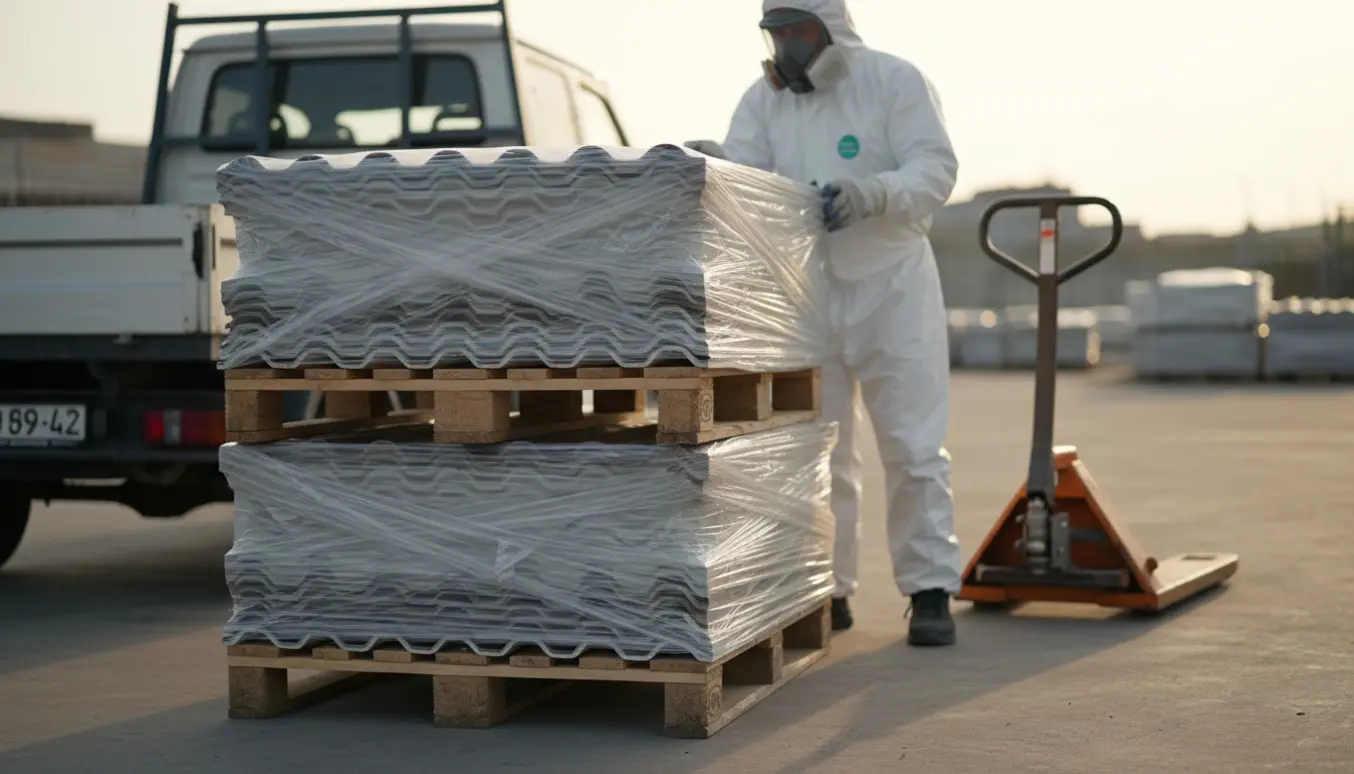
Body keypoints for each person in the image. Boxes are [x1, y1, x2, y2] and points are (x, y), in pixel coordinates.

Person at [686, 0, 962, 646]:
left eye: (797, 32)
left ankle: (929, 590)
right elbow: (746, 179)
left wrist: (875, 194)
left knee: (913, 445)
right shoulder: (764, 101)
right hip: (809, 292)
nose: (786, 47)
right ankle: (827, 590)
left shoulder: (896, 81)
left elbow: (937, 168)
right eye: (776, 34)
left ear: (831, 27)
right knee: (818, 451)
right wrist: (712, 168)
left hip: (893, 287)